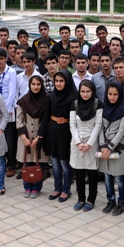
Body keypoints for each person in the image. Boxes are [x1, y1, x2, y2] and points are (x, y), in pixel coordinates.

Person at [40, 70, 78, 202]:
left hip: (66, 133)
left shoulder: (74, 98)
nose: (58, 83)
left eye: (61, 81)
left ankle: (66, 190)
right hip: (52, 132)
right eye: (56, 81)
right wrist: (41, 136)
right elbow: (45, 117)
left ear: (67, 82)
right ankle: (57, 188)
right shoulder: (51, 97)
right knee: (55, 163)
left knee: (65, 163)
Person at [69, 80, 103, 212]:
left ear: (92, 91)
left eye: (88, 91)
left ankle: (91, 200)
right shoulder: (75, 104)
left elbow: (98, 125)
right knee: (79, 173)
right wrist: (78, 142)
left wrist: (89, 144)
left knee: (92, 173)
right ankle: (81, 199)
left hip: (91, 143)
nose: (85, 94)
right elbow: (72, 125)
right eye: (82, 91)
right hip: (77, 143)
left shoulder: (97, 104)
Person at [98, 82, 124, 216]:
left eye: (115, 94)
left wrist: (109, 148)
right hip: (105, 148)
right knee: (107, 176)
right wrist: (102, 146)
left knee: (120, 178)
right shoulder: (103, 106)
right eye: (110, 94)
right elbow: (100, 127)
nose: (112, 97)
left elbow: (122, 131)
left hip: (118, 148)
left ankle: (121, 203)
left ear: (120, 94)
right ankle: (110, 201)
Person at [16, 75, 49, 198]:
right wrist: (23, 137)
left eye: (38, 84)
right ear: (29, 85)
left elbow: (46, 120)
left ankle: (36, 188)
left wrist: (39, 137)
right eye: (33, 84)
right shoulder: (23, 101)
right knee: (27, 163)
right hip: (25, 136)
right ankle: (27, 186)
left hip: (40, 136)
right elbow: (19, 119)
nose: (35, 87)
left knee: (39, 163)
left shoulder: (46, 100)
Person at [0, 48, 18, 178]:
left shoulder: (11, 72)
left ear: (6, 59)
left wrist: (4, 111)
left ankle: (11, 165)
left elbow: (12, 93)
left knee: (10, 139)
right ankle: (0, 164)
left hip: (8, 110)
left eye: (1, 58)